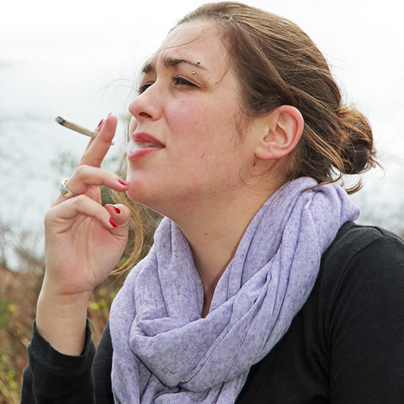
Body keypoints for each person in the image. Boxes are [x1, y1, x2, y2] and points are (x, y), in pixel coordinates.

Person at [21, 2, 404, 403]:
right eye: (145, 85)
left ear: (275, 132)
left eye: (184, 81)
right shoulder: (144, 313)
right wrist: (64, 297)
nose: (138, 105)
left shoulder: (367, 276)